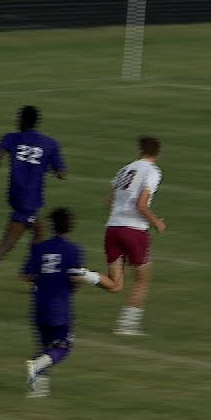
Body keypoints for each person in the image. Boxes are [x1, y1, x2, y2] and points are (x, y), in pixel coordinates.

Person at [0, 105, 66, 299]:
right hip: (30, 200)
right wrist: (49, 167)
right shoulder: (49, 144)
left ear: (21, 120)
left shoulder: (11, 138)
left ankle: (32, 276)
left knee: (38, 232)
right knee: (10, 243)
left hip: (19, 197)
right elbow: (62, 173)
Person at [21, 207, 117, 398]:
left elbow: (25, 275)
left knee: (44, 348)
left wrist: (43, 278)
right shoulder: (73, 250)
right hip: (60, 307)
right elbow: (75, 278)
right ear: (70, 227)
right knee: (63, 348)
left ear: (51, 225)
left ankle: (38, 392)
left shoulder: (39, 248)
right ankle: (36, 366)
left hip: (39, 305)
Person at [104, 136, 166, 336]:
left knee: (115, 284)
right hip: (134, 231)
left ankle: (84, 274)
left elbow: (110, 201)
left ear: (139, 151)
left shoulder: (124, 169)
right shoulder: (152, 172)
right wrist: (156, 221)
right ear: (158, 154)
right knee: (142, 279)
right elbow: (141, 204)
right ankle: (127, 326)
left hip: (112, 228)